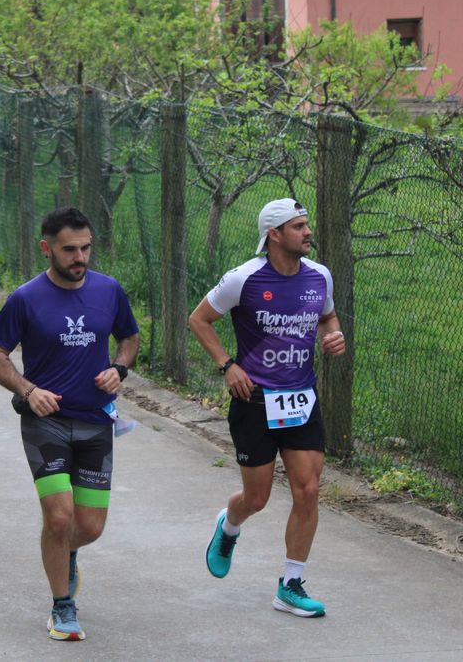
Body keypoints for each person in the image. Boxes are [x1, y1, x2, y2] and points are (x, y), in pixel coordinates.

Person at [0, 207, 139, 642]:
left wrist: (119, 368)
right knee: (58, 518)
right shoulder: (26, 298)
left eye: (86, 248)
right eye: (70, 249)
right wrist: (28, 390)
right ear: (46, 248)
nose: (80, 257)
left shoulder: (109, 291)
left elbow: (129, 337)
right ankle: (62, 606)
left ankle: (63, 554)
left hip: (96, 423)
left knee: (88, 527)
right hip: (45, 423)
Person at [187, 198, 347, 619]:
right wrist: (227, 365)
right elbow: (199, 319)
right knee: (256, 498)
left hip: (300, 397)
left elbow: (327, 317)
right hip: (255, 401)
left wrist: (333, 335)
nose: (308, 232)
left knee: (308, 490)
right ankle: (229, 526)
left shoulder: (320, 276)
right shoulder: (244, 279)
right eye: (298, 226)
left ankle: (291, 584)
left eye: (307, 224)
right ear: (274, 235)